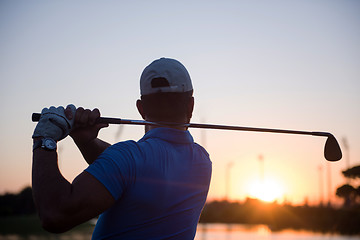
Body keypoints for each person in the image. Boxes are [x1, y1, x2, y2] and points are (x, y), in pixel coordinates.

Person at [32, 57, 212, 239]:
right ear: (191, 105)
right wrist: (87, 142)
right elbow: (130, 172)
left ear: (140, 108)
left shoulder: (128, 158)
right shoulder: (202, 161)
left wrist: (44, 138)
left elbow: (54, 214)